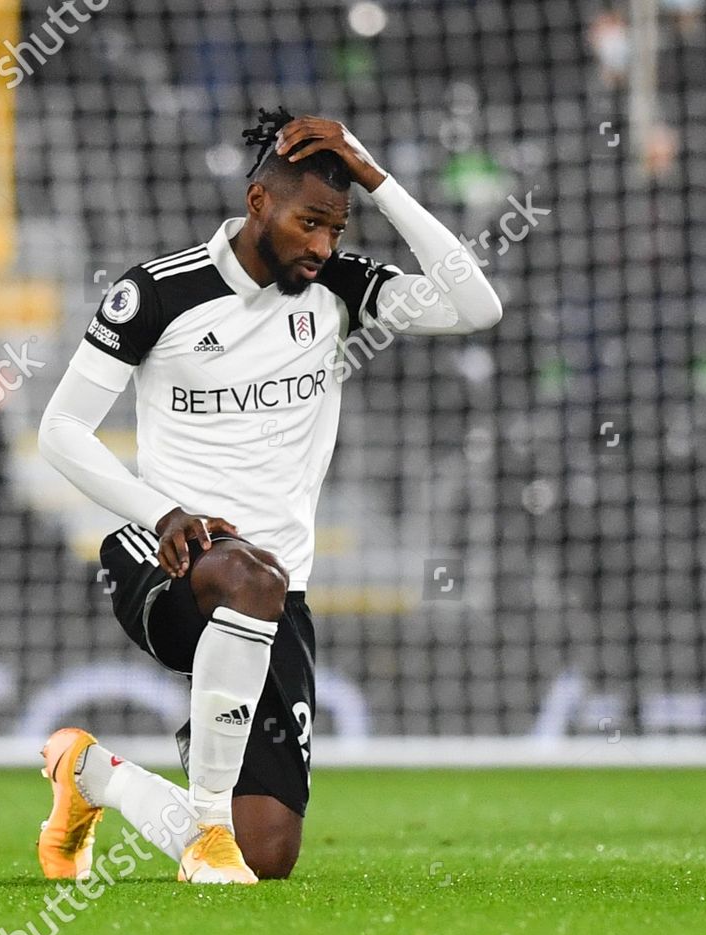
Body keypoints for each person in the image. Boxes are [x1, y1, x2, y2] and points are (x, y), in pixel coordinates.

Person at [35, 109, 502, 882]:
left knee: (271, 856)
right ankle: (208, 832)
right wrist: (163, 513)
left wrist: (375, 176)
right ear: (259, 204)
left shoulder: (336, 291)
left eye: (337, 228)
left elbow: (477, 307)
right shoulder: (158, 292)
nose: (323, 245)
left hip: (277, 590)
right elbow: (60, 430)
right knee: (250, 577)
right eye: (308, 222)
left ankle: (90, 774)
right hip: (161, 554)